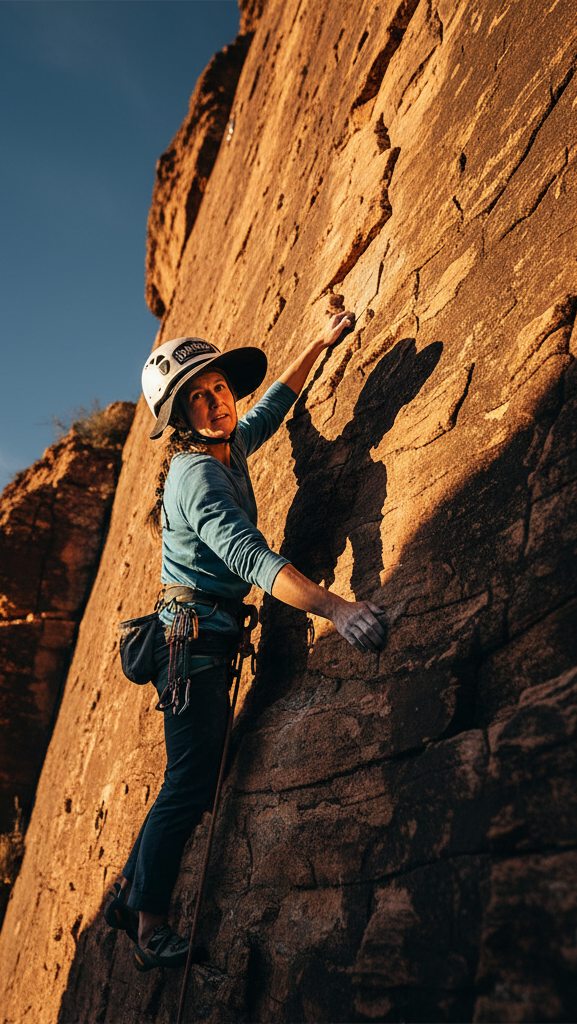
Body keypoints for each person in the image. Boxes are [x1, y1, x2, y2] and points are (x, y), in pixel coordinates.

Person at [106, 311, 389, 972]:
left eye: (217, 388)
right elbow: (255, 561)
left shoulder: (225, 444)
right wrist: (338, 610)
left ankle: (133, 898)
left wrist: (317, 341)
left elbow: (271, 411)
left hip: (203, 637)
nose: (215, 404)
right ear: (179, 418)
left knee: (193, 777)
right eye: (196, 399)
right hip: (192, 648)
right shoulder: (198, 478)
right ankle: (146, 925)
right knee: (191, 784)